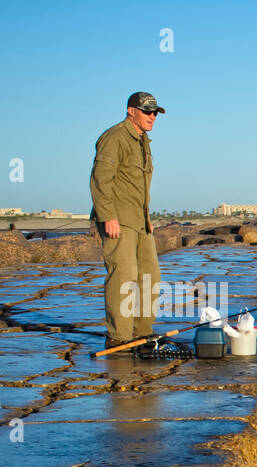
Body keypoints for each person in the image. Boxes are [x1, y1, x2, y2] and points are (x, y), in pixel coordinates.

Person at [89, 92, 164, 350]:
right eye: (147, 111)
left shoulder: (143, 141)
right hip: (118, 219)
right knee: (124, 276)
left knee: (150, 276)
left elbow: (138, 184)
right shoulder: (114, 137)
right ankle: (119, 337)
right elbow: (101, 179)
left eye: (155, 112)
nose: (152, 116)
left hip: (139, 220)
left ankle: (141, 333)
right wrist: (108, 216)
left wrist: (147, 217)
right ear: (131, 111)